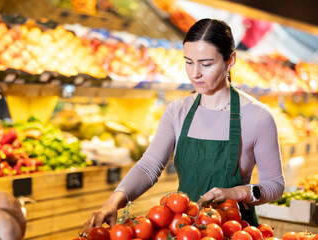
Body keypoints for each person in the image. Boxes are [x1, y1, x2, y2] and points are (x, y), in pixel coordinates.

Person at [82, 18, 285, 234]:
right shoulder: (177, 111)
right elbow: (149, 166)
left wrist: (241, 193)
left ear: (230, 61)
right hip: (185, 230)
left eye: (206, 64)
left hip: (235, 232)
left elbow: (275, 185)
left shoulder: (257, 116)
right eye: (189, 62)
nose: (195, 73)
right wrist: (114, 201)